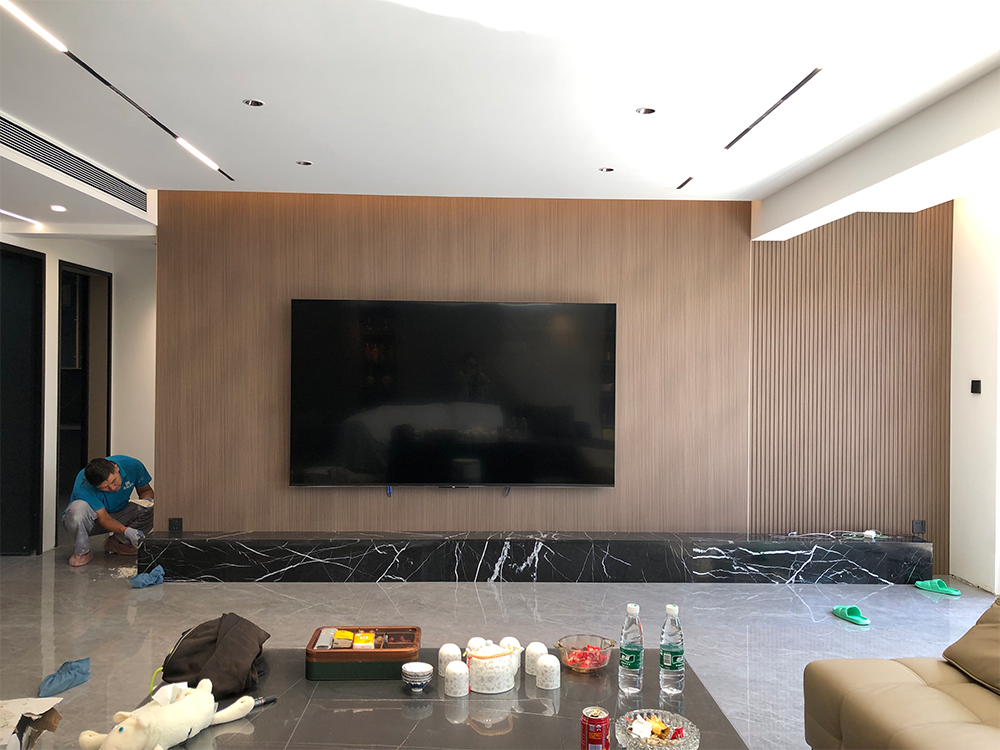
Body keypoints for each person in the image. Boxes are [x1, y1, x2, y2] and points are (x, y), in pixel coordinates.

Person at [63, 455, 154, 567]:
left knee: (153, 507)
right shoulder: (83, 485)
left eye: (114, 481)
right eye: (104, 488)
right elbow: (104, 518)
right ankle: (83, 552)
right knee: (77, 511)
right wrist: (126, 531)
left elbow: (145, 490)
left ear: (116, 467)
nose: (112, 488)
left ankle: (117, 543)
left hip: (120, 513)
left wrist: (147, 501)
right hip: (92, 521)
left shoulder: (132, 465)